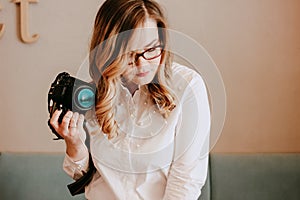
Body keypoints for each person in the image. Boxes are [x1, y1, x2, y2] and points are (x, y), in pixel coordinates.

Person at [49, 0, 211, 199]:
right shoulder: (91, 94)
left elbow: (186, 181)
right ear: (107, 51)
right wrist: (74, 144)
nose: (142, 64)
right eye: (128, 53)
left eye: (151, 49)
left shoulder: (187, 86)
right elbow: (84, 178)